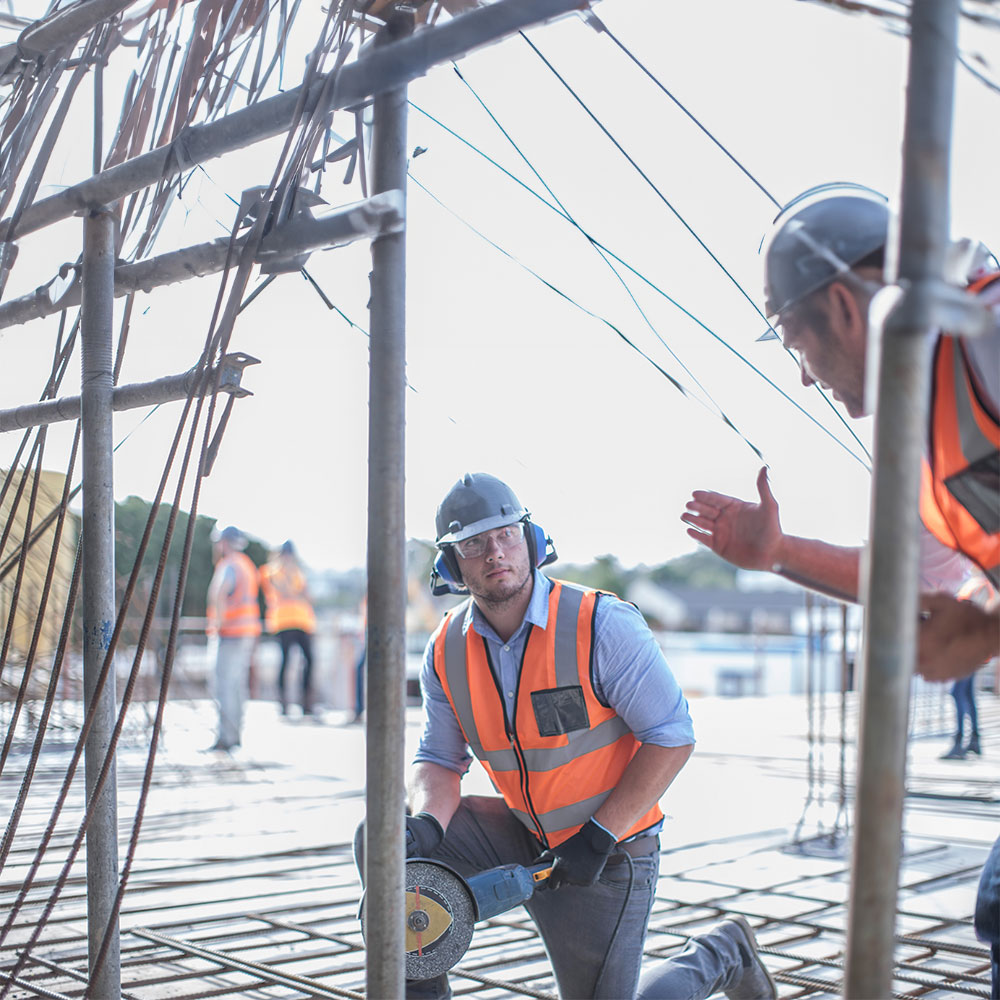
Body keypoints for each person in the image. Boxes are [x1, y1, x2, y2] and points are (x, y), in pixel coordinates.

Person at [679, 183, 999, 997]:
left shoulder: (989, 336)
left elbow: (976, 617)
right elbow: (912, 578)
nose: (802, 374)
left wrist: (987, 626)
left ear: (843, 311)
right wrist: (779, 553)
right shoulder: (933, 423)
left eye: (795, 339)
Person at [373, 472, 776, 1000]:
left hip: (609, 853)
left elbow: (671, 736)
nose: (495, 553)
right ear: (452, 564)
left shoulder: (601, 626)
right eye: (474, 543)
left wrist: (600, 835)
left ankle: (724, 951)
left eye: (506, 535)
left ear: (532, 541)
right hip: (523, 835)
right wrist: (427, 822)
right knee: (383, 842)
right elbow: (439, 760)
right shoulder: (447, 649)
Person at [206, 524, 261, 751]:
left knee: (224, 686)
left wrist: (219, 624)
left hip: (229, 633)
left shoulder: (228, 565)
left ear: (224, 543)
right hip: (246, 633)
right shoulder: (246, 565)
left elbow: (219, 593)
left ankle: (226, 738)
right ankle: (235, 735)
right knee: (237, 686)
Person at [259, 540, 317, 715]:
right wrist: (296, 593)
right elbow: (285, 592)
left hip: (302, 622)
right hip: (283, 622)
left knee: (310, 660)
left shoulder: (298, 573)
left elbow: (307, 596)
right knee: (286, 661)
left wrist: (297, 594)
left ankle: (306, 702)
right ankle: (283, 702)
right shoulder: (272, 571)